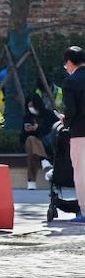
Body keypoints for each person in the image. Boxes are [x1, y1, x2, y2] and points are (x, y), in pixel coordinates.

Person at [61, 46, 85, 222]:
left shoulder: (71, 82)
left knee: (81, 173)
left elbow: (72, 110)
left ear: (69, 63)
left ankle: (84, 212)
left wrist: (65, 120)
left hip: (80, 132)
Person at [20, 93, 60, 190]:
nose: (31, 108)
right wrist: (27, 131)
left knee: (33, 152)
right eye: (29, 106)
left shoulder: (48, 115)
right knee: (30, 140)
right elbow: (22, 138)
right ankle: (44, 160)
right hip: (34, 144)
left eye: (32, 106)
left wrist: (38, 128)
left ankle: (31, 181)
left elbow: (54, 130)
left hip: (48, 144)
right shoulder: (27, 117)